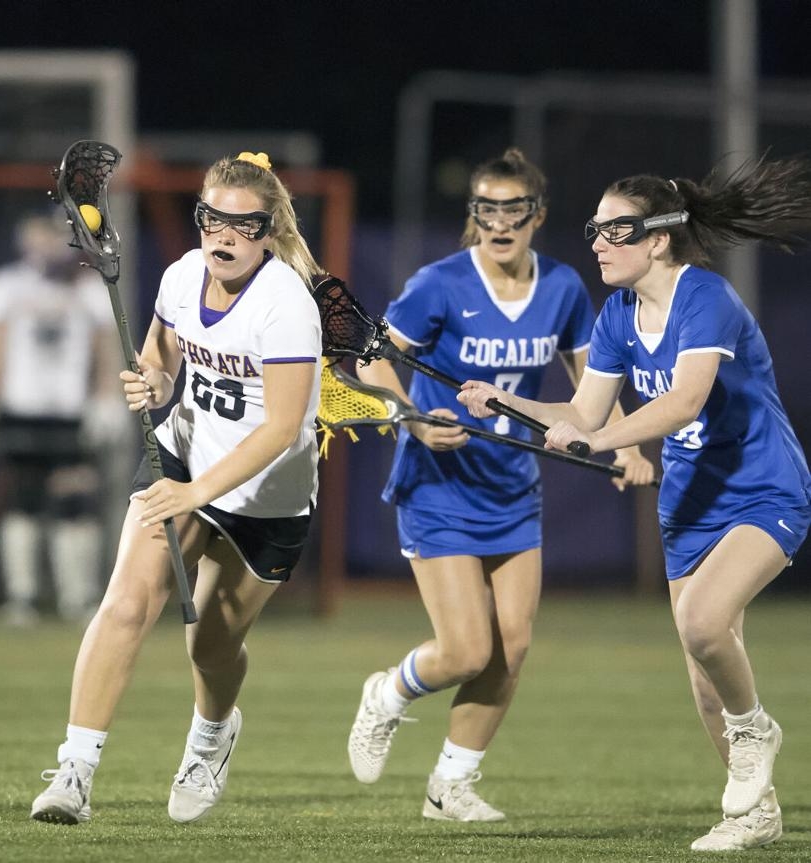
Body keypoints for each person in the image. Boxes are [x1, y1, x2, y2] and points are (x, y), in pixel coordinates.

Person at [457, 156, 811, 851]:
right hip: (689, 501)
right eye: (595, 228)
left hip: (762, 487)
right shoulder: (616, 314)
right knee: (705, 674)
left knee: (704, 622)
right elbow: (584, 411)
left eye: (616, 230)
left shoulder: (704, 298)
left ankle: (755, 729)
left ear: (658, 239)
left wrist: (601, 442)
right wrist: (510, 402)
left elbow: (683, 401)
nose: (597, 242)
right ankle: (755, 811)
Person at [348, 148, 654, 821]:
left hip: (512, 486)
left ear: (536, 216)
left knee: (512, 644)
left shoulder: (564, 289)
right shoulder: (440, 284)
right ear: (474, 217)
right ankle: (388, 694)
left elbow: (591, 388)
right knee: (465, 649)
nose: (499, 221)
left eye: (513, 209)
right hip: (437, 481)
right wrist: (416, 420)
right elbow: (374, 361)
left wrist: (626, 440)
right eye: (486, 209)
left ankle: (449, 783)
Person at [30, 152, 323, 825]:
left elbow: (280, 429)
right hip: (184, 457)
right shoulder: (182, 275)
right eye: (209, 219)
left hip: (267, 495)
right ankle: (74, 770)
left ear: (269, 230)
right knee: (127, 602)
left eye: (241, 225)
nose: (221, 236)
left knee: (211, 645)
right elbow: (163, 359)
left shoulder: (286, 307)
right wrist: (152, 382)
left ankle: (212, 736)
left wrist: (198, 497)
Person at [0, 209, 124, 625]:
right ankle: (22, 597)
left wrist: (107, 401)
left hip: (70, 412)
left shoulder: (89, 290)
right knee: (23, 501)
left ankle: (79, 597)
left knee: (76, 501)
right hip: (22, 408)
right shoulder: (6, 285)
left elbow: (105, 352)